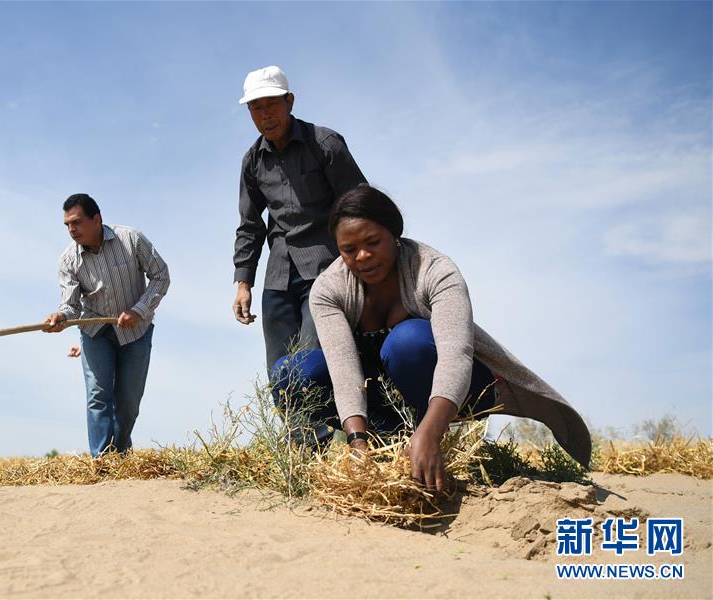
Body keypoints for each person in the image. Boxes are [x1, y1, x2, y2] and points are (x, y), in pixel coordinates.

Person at [272, 185, 591, 491]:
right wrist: (358, 443)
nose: (363, 256)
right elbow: (343, 371)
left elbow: (456, 355)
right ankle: (360, 451)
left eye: (373, 242)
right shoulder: (329, 289)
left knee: (407, 341)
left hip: (459, 387)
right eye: (349, 250)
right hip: (383, 400)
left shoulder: (435, 270)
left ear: (394, 234)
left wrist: (429, 434)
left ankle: (424, 440)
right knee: (292, 371)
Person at [231, 65, 367, 374]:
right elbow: (250, 225)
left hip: (327, 268)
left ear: (289, 102)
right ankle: (296, 425)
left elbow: (359, 205)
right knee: (279, 372)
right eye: (256, 108)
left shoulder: (324, 143)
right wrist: (243, 283)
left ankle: (325, 423)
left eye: (271, 104)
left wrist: (357, 263)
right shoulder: (252, 162)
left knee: (310, 365)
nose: (264, 115)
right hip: (278, 276)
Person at [44, 193, 170, 457]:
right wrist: (61, 317)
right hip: (95, 333)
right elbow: (70, 305)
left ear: (97, 219)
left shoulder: (131, 240)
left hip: (136, 332)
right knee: (98, 395)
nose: (71, 230)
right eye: (67, 225)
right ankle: (101, 461)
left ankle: (121, 454)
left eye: (76, 222)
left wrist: (139, 310)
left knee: (127, 403)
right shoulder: (68, 261)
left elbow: (160, 276)